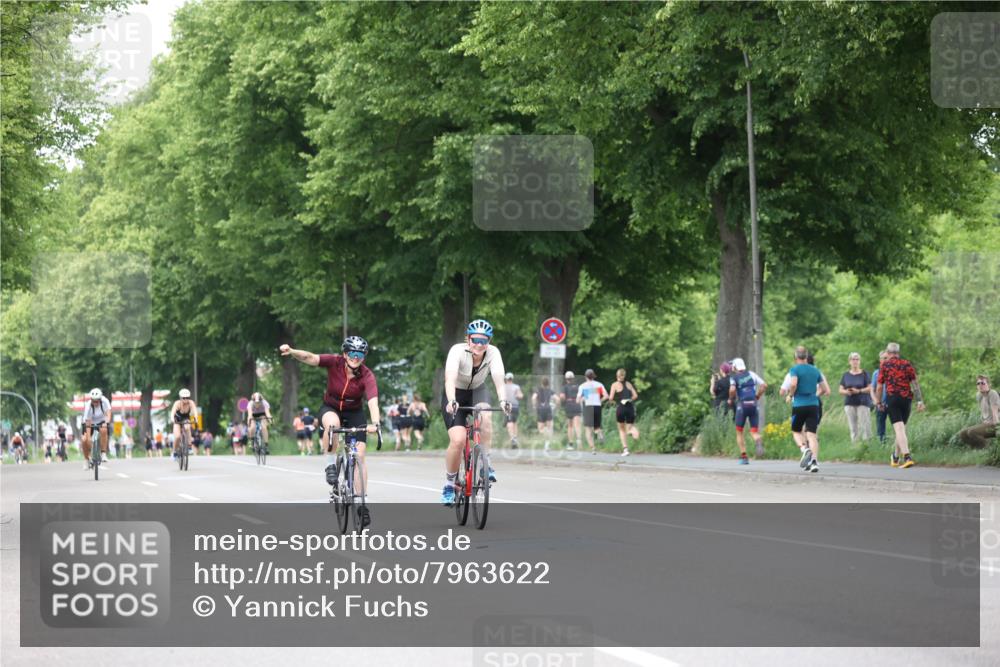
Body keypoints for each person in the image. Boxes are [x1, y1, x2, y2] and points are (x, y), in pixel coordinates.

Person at [280, 336, 380, 527]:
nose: (355, 357)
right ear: (345, 354)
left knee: (360, 455)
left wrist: (375, 423)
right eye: (352, 353)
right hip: (331, 407)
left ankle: (360, 503)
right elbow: (310, 358)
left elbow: (373, 400)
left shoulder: (367, 375)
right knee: (332, 425)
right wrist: (292, 352)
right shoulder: (335, 362)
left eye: (360, 354)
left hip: (354, 412)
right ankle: (330, 465)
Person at [441, 319, 511, 506]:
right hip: (455, 392)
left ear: (489, 341)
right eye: (475, 340)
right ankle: (449, 484)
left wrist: (503, 400)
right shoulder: (457, 350)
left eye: (484, 340)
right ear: (468, 339)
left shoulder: (493, 352)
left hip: (478, 390)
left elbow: (498, 378)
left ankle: (485, 463)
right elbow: (449, 378)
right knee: (458, 439)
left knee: (486, 416)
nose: (479, 345)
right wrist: (451, 400)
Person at [875, 342, 925, 468]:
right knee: (901, 429)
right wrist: (920, 401)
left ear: (887, 352)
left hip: (893, 399)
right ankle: (895, 457)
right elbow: (915, 384)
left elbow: (880, 386)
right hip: (906, 399)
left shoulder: (884, 365)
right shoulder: (906, 364)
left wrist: (878, 402)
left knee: (899, 429)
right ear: (898, 352)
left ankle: (907, 456)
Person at [786, 347, 831, 473]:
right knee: (812, 434)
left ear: (796, 357)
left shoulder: (794, 369)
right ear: (806, 357)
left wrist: (790, 395)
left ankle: (804, 449)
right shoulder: (815, 370)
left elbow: (794, 384)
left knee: (796, 431)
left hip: (799, 405)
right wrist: (814, 395)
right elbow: (825, 390)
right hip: (813, 406)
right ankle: (814, 462)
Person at [727, 358, 767, 464]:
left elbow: (732, 389)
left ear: (735, 367)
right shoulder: (752, 374)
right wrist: (757, 396)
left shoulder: (734, 377)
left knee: (739, 431)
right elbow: (764, 385)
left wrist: (731, 399)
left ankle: (744, 457)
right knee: (754, 431)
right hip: (754, 404)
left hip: (742, 406)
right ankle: (758, 440)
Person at [839, 352, 873, 443]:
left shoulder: (864, 374)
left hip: (863, 402)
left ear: (859, 361)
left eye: (857, 359)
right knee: (853, 427)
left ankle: (867, 446)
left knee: (865, 426)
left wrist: (859, 391)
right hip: (849, 402)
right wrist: (847, 392)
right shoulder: (846, 375)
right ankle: (855, 446)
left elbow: (870, 388)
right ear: (849, 361)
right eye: (853, 359)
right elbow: (840, 389)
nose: (855, 361)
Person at [958, 374, 998, 449]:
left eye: (983, 383)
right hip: (986, 424)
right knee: (962, 433)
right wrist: (983, 423)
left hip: (995, 425)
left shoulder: (992, 394)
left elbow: (995, 412)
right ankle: (976, 449)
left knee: (972, 432)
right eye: (978, 383)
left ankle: (986, 449)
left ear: (989, 385)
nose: (980, 385)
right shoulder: (979, 395)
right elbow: (984, 412)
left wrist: (997, 427)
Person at [608, 368, 640, 457]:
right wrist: (629, 399)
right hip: (630, 407)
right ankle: (632, 431)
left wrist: (614, 402)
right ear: (624, 376)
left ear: (617, 375)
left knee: (621, 430)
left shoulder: (614, 385)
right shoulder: (629, 384)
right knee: (630, 427)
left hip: (621, 408)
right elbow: (635, 396)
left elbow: (610, 398)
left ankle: (625, 450)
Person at [577, 369, 608, 454]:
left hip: (588, 407)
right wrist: (600, 401)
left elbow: (578, 399)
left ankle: (593, 448)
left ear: (585, 377)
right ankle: (600, 434)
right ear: (593, 376)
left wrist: (583, 398)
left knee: (588, 429)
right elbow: (606, 396)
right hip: (597, 406)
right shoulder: (599, 385)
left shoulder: (582, 386)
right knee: (597, 426)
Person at [82, 388, 112, 469]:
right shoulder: (88, 406)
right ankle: (86, 460)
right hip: (89, 422)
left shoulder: (105, 401)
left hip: (102, 421)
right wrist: (88, 439)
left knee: (104, 430)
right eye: (93, 401)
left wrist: (106, 423)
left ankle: (103, 453)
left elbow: (108, 414)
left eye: (97, 401)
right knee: (84, 439)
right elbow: (87, 421)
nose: (95, 403)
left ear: (100, 399)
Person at [169, 389, 199, 461]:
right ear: (180, 398)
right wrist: (172, 419)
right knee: (177, 436)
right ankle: (174, 452)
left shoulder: (191, 403)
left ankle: (189, 446)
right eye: (184, 398)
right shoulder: (177, 403)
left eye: (187, 397)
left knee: (187, 427)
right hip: (177, 419)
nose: (186, 399)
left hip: (185, 418)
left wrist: (196, 418)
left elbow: (195, 410)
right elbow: (172, 412)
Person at [869, 351, 890, 443]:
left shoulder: (894, 372)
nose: (885, 360)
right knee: (880, 425)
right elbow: (872, 389)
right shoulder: (876, 373)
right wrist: (876, 401)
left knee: (897, 425)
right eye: (883, 358)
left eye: (887, 358)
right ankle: (882, 444)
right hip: (880, 403)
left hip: (892, 403)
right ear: (880, 360)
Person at [532, 378, 555, 451]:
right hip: (548, 409)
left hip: (540, 409)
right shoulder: (550, 391)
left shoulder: (538, 390)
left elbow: (533, 398)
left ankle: (546, 433)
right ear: (548, 383)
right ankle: (547, 444)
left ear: (541, 383)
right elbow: (557, 399)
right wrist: (556, 406)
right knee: (550, 428)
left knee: (540, 429)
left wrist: (534, 405)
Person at [561, 371, 582, 450]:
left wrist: (562, 400)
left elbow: (562, 396)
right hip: (577, 404)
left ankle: (571, 444)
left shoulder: (565, 387)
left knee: (570, 426)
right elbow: (582, 396)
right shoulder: (578, 386)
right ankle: (579, 441)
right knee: (577, 425)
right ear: (573, 378)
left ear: (566, 379)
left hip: (569, 405)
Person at [503, 373, 524, 449]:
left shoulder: (503, 387)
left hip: (507, 406)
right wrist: (516, 395)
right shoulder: (516, 387)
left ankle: (512, 438)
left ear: (506, 379)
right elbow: (521, 395)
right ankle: (514, 437)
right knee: (514, 422)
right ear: (512, 379)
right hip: (515, 406)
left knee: (509, 421)